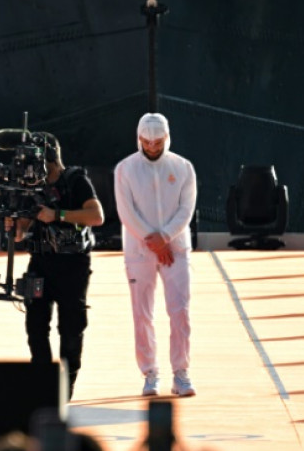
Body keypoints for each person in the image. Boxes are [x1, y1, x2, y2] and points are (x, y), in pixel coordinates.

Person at [6, 134, 104, 400]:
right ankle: (41, 382)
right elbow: (22, 231)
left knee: (71, 329)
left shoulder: (75, 181)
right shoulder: (30, 187)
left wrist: (58, 215)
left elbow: (96, 216)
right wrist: (15, 227)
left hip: (73, 265)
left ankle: (65, 387)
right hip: (40, 262)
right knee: (35, 325)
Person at [114, 113, 197, 397]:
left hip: (176, 249)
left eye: (157, 142)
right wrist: (154, 241)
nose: (151, 147)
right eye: (146, 142)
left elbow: (186, 210)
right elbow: (126, 213)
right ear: (138, 139)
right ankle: (150, 372)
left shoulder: (183, 167)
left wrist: (165, 238)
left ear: (166, 138)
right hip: (139, 251)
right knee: (142, 314)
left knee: (180, 312)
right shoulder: (124, 169)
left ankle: (181, 372)